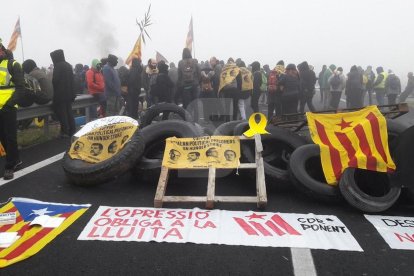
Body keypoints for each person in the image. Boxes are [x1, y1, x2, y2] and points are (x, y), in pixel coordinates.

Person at [0, 39, 23, 180]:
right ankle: (15, 160)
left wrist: (9, 104)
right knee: (2, 137)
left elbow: (21, 88)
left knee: (10, 137)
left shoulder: (13, 64)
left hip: (8, 107)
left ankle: (10, 165)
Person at [50, 49, 76, 138]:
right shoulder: (68, 65)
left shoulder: (58, 66)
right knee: (69, 113)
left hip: (60, 95)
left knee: (62, 114)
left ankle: (65, 131)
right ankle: (72, 130)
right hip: (69, 94)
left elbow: (55, 80)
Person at [177, 48, 201, 122]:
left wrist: (181, 85)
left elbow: (179, 76)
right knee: (195, 104)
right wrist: (197, 82)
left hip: (185, 87)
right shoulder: (194, 61)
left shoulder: (180, 63)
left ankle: (188, 121)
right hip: (194, 86)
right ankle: (196, 121)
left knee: (187, 105)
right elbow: (199, 73)